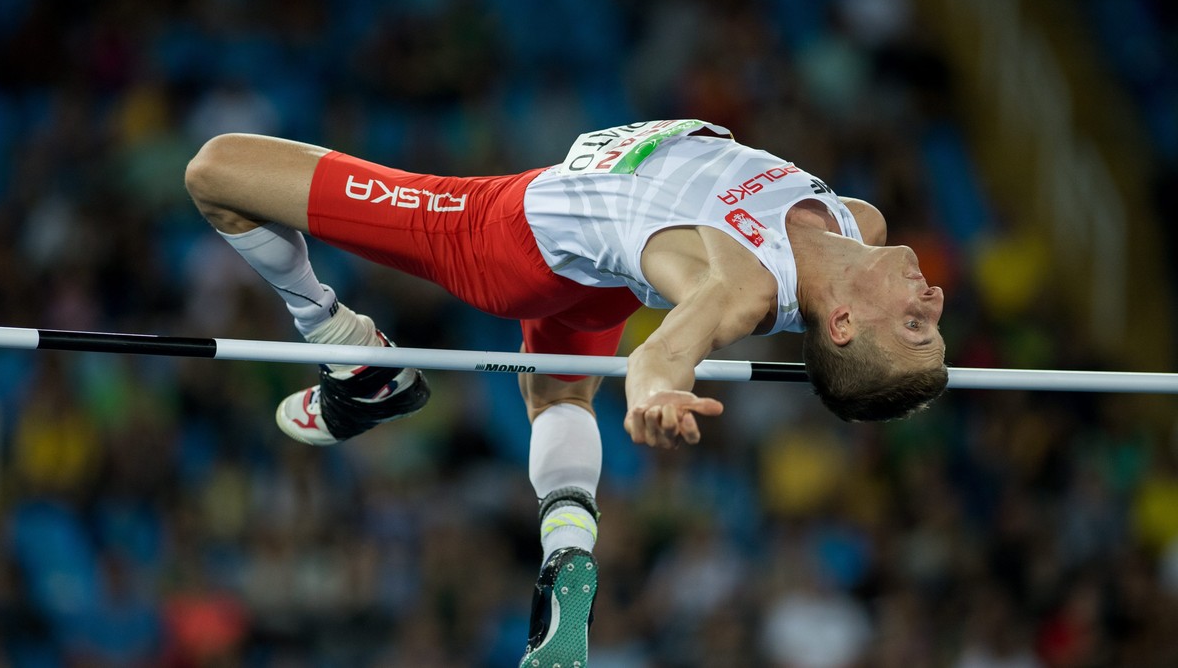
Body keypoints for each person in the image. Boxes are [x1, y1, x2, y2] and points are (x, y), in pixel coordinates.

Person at [183, 119, 947, 666]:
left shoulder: (738, 289)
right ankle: (567, 552)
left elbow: (669, 351)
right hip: (600, 265)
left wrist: (654, 394)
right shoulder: (860, 223)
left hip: (509, 238)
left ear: (843, 324)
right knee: (557, 399)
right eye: (931, 321)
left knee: (218, 171)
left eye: (916, 324)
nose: (935, 300)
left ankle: (347, 350)